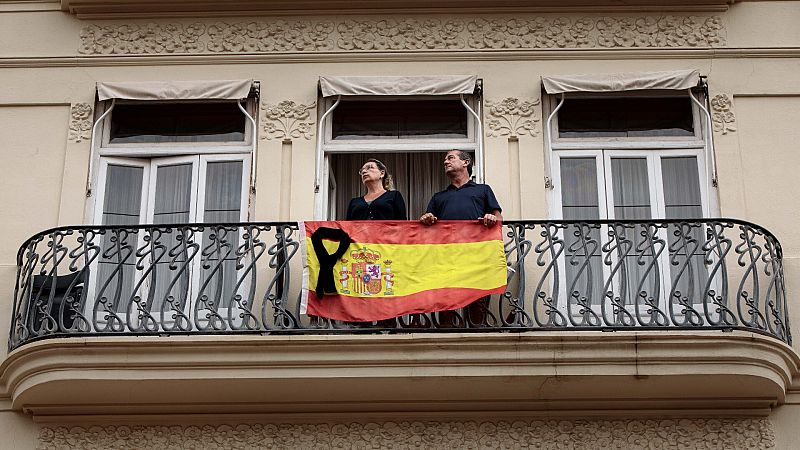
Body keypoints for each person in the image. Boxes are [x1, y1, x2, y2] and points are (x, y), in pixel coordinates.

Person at [419, 149, 502, 327]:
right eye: (445, 160)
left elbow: (498, 219)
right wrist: (426, 219)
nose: (445, 162)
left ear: (466, 162)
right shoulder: (439, 197)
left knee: (477, 303)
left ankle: (476, 335)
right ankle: (446, 336)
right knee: (445, 300)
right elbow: (427, 225)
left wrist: (492, 218)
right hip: (446, 257)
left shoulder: (483, 190)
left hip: (476, 256)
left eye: (450, 158)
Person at [346, 158, 406, 329]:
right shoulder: (354, 202)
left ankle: (387, 323)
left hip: (386, 251)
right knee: (361, 284)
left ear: (382, 173)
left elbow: (402, 224)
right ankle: (362, 324)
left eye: (370, 167)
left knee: (384, 285)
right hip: (360, 253)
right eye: (362, 169)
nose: (364, 171)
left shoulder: (394, 196)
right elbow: (348, 228)